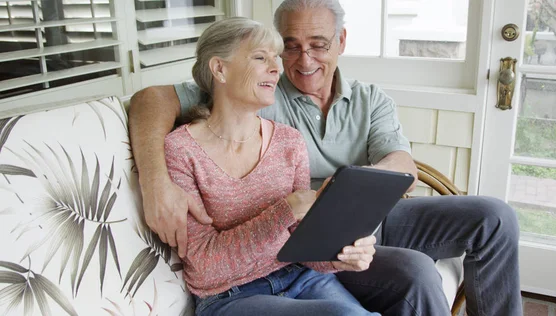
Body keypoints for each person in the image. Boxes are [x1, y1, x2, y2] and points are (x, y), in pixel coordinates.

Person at [129, 0, 523, 315]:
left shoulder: (366, 101)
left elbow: (403, 165)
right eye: (290, 48)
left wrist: (348, 194)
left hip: (359, 220)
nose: (302, 61)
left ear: (341, 41)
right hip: (291, 242)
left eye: (318, 44)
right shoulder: (258, 93)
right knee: (414, 273)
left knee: (495, 216)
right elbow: (152, 98)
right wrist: (154, 178)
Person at [165, 17, 379, 315]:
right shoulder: (182, 150)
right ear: (219, 69)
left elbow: (302, 245)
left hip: (302, 278)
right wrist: (284, 210)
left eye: (275, 57)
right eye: (260, 57)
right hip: (230, 296)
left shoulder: (289, 142)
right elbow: (203, 268)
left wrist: (340, 256)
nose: (277, 68)